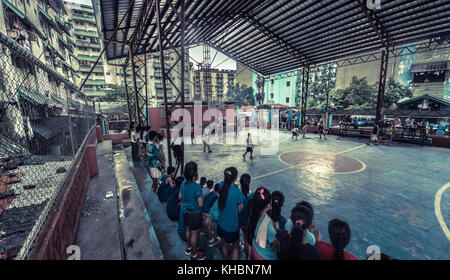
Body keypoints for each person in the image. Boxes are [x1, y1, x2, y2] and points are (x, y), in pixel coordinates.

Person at [179, 161, 205, 260]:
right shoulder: (197, 186)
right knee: (194, 234)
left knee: (188, 230)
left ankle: (188, 247)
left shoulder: (183, 184)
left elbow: (180, 196)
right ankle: (194, 255)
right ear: (195, 173)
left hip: (186, 212)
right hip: (195, 214)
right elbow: (200, 204)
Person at [217, 167, 244, 260]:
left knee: (224, 244)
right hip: (231, 226)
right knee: (236, 247)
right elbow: (240, 209)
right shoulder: (237, 192)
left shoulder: (221, 185)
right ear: (236, 178)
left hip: (221, 223)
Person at [248, 187, 278, 260]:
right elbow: (275, 243)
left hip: (254, 248)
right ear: (268, 205)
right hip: (265, 256)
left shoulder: (252, 214)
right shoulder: (269, 226)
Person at [238, 173, 254, 260]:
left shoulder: (237, 193)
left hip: (237, 219)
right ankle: (247, 257)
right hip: (246, 221)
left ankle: (238, 246)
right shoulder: (251, 195)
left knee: (236, 236)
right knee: (246, 240)